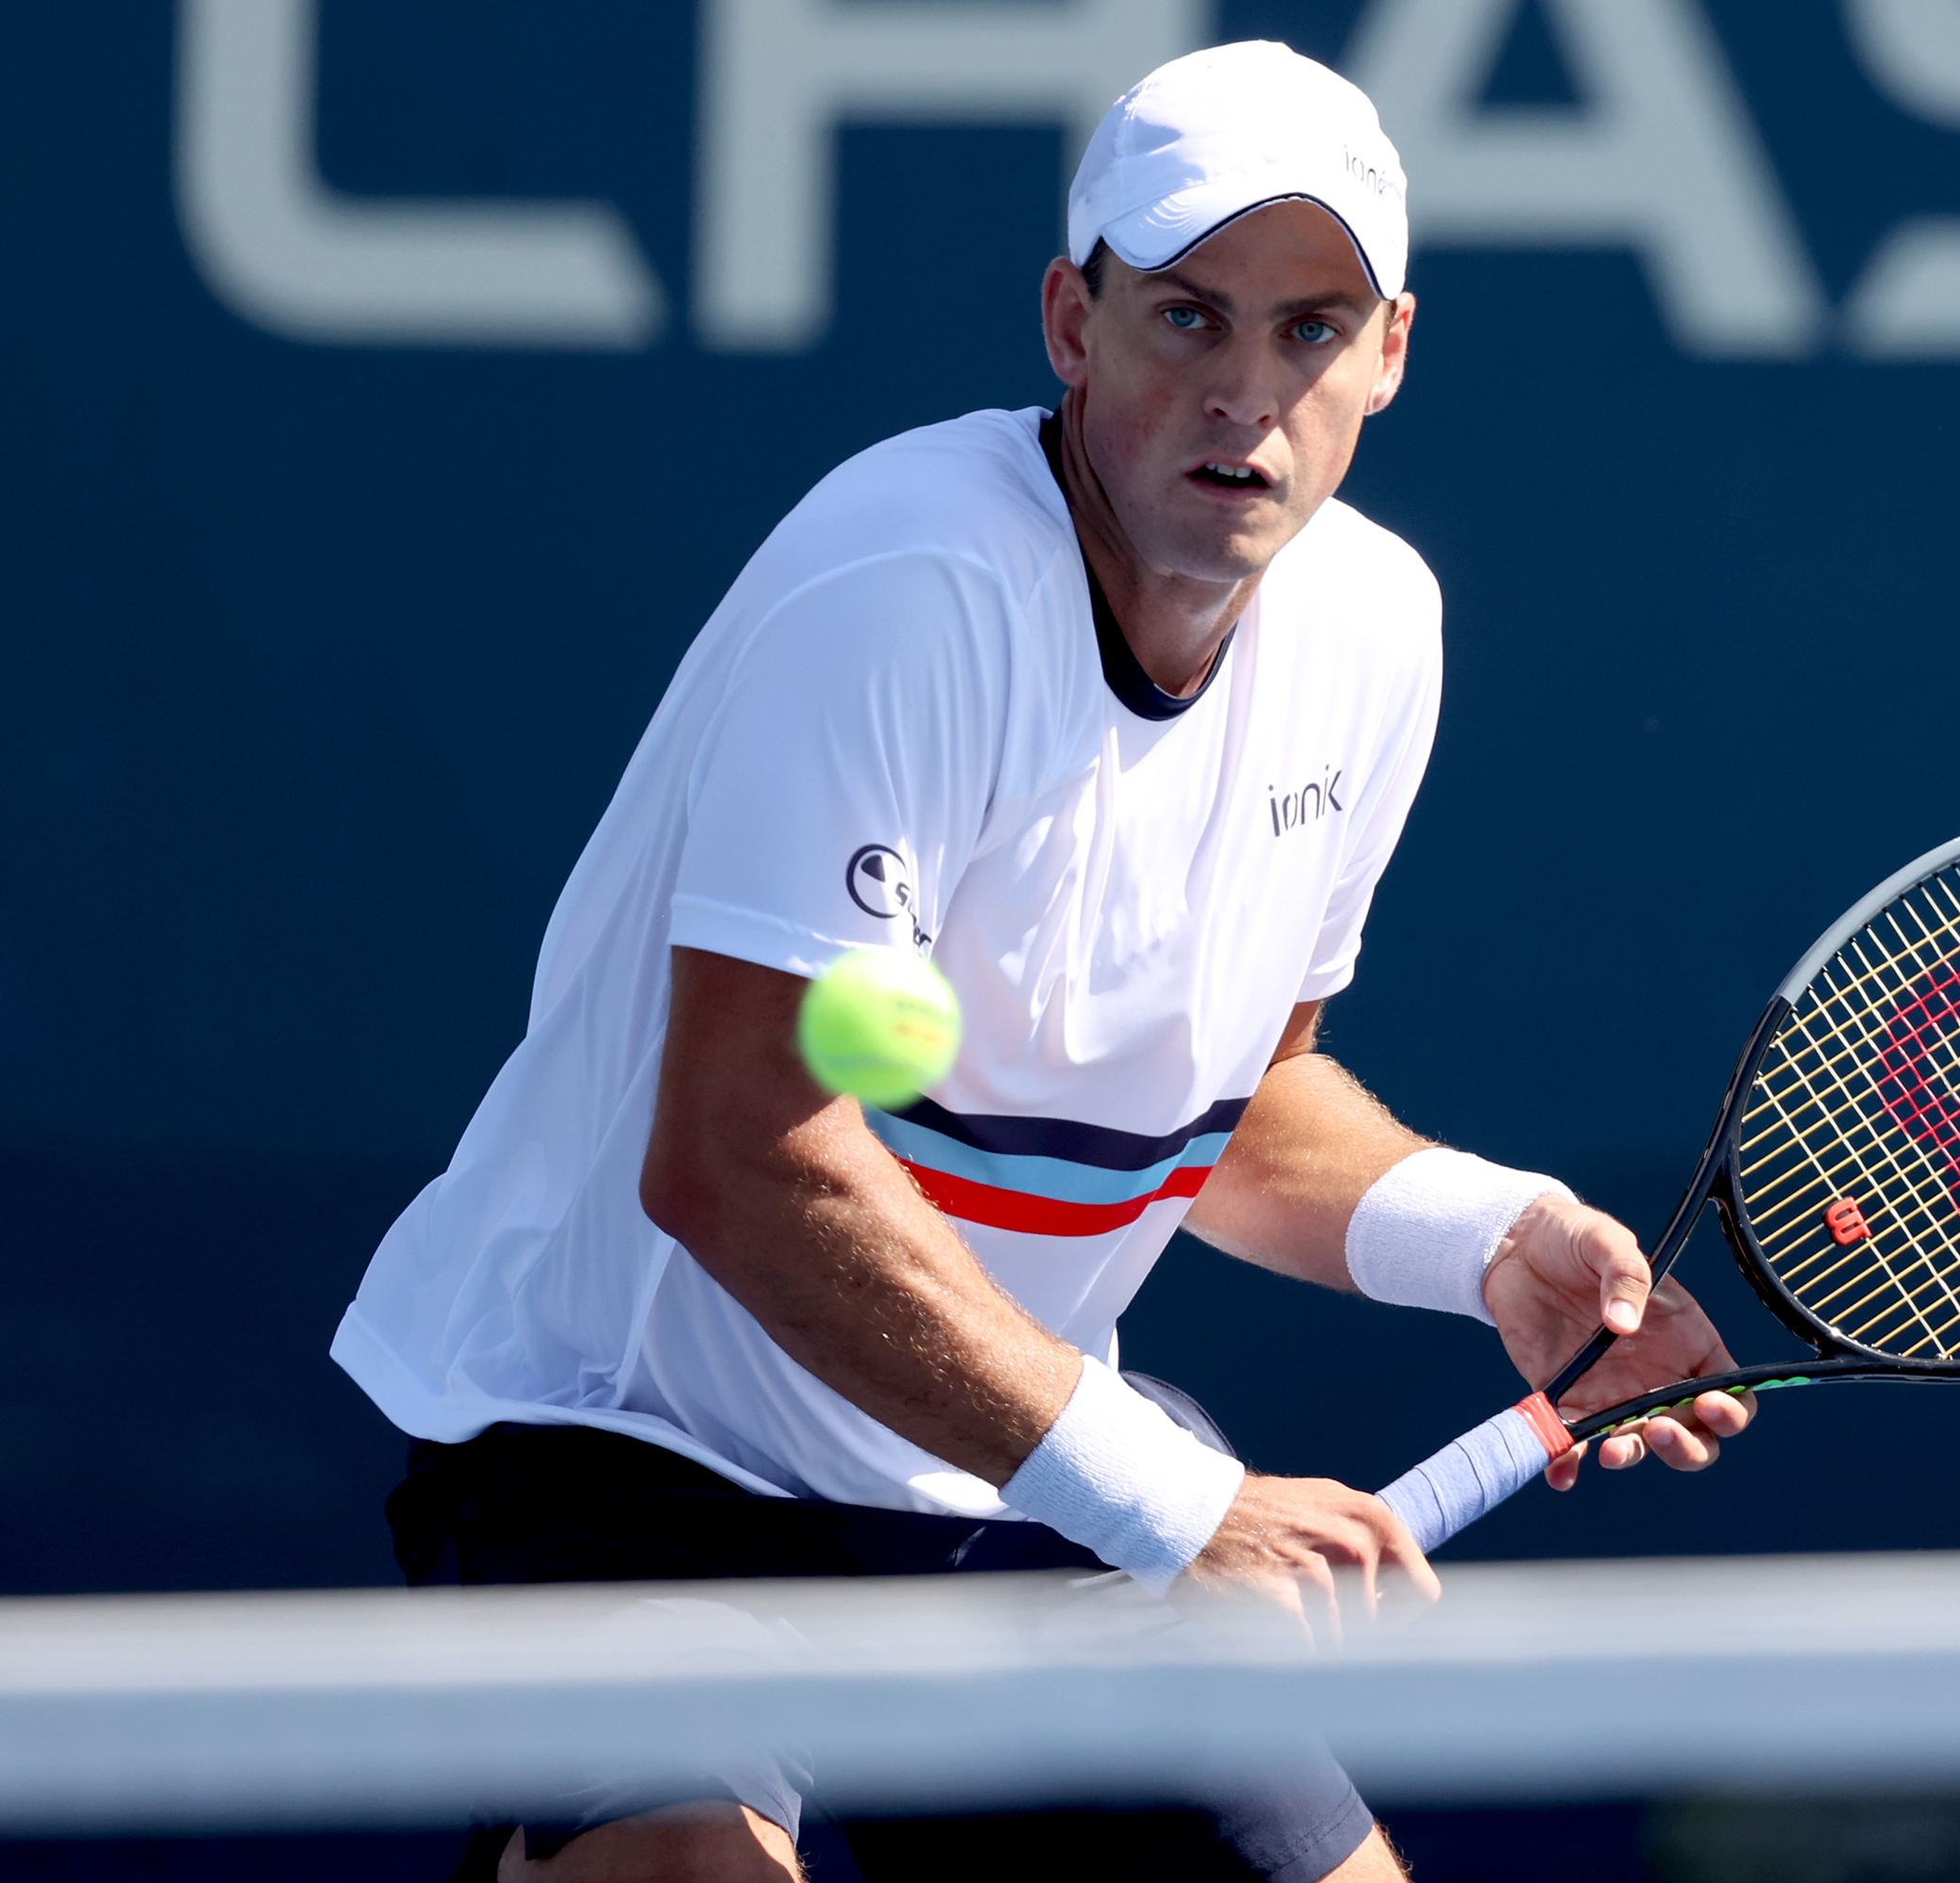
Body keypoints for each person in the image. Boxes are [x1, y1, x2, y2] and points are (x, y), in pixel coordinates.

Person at [332, 40, 1753, 1883]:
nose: (1246, 395)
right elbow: (737, 1152)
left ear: (1391, 352)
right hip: (632, 1442)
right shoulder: (906, 585)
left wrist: (1487, 1240)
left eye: (1311, 328)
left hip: (997, 1466)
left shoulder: (1377, 629)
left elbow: (1240, 1104)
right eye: (1188, 317)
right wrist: (1179, 1505)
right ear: (1070, 322)